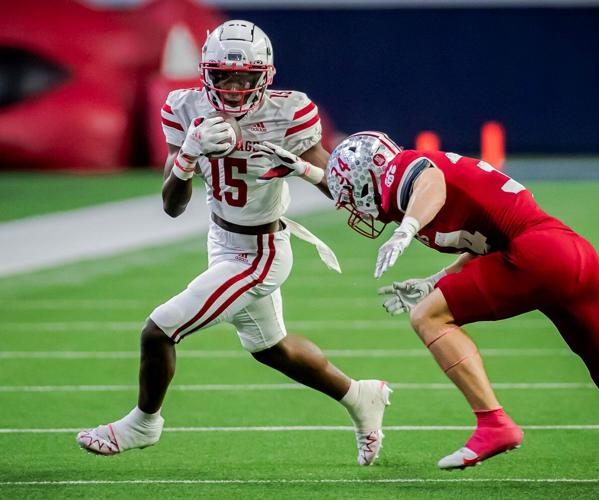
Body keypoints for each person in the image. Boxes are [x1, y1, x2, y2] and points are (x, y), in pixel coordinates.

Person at [314, 130, 599, 485]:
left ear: (367, 177)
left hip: (539, 254)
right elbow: (487, 243)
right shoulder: (409, 180)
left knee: (427, 317)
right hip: (569, 253)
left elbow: (427, 178)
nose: (354, 207)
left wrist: (406, 228)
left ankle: (493, 423)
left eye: (351, 193)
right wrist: (433, 280)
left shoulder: (406, 171)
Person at [76, 21, 391, 466]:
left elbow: (337, 187)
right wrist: (187, 157)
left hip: (260, 254)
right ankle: (361, 396)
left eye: (246, 76)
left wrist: (302, 169)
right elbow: (171, 205)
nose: (237, 86)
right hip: (220, 239)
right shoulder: (184, 108)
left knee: (158, 330)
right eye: (225, 75)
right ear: (207, 74)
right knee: (271, 348)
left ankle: (143, 424)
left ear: (266, 74)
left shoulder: (290, 113)